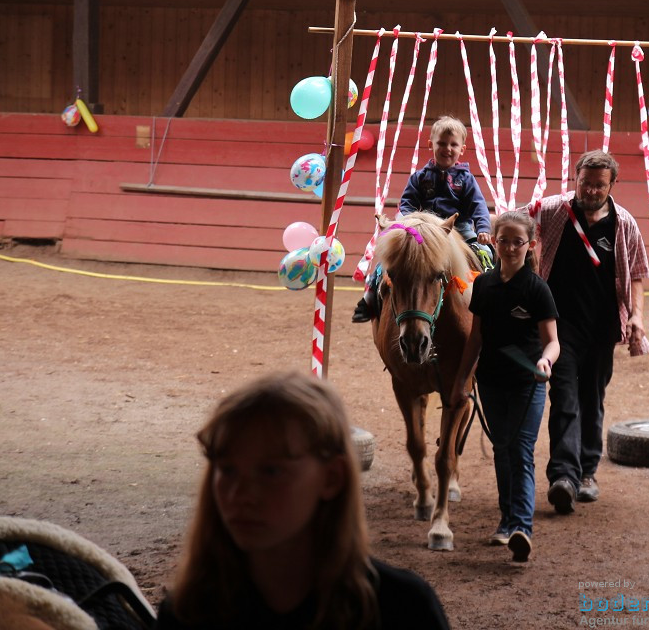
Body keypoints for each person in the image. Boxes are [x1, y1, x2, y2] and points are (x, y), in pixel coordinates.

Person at [153, 371, 450, 630]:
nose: (238, 495)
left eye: (270, 471)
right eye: (227, 470)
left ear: (331, 478)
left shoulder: (404, 612)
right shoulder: (189, 613)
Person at [528, 150, 649, 515]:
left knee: (592, 398)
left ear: (613, 184)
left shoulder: (624, 223)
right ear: (575, 178)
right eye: (585, 182)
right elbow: (512, 221)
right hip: (558, 326)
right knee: (564, 395)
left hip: (602, 327)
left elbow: (639, 273)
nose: (591, 190)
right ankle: (563, 476)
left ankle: (587, 473)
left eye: (599, 184)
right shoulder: (552, 210)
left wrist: (637, 317)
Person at [451, 210, 559, 563]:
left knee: (521, 450)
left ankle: (521, 529)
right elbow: (475, 338)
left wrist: (545, 360)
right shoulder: (483, 284)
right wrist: (461, 382)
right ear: (493, 241)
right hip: (492, 382)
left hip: (529, 384)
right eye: (504, 240)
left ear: (529, 245)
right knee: (502, 449)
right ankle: (506, 519)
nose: (511, 247)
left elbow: (552, 342)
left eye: (518, 241)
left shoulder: (537, 288)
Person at [353, 115, 493, 323]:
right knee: (388, 260)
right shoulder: (419, 177)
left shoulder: (466, 179)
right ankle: (370, 298)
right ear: (431, 144)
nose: (448, 148)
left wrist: (483, 228)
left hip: (459, 228)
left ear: (462, 149)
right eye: (442, 143)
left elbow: (478, 206)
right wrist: (405, 222)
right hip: (423, 231)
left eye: (454, 144)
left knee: (485, 254)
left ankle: (493, 298)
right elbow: (407, 202)